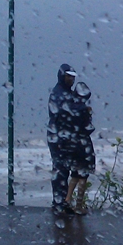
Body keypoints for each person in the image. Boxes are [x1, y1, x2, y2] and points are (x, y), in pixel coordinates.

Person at [47, 63, 95, 216]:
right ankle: (58, 204)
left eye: (72, 77)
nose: (71, 79)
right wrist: (83, 109)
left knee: (65, 170)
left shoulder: (68, 93)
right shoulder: (58, 93)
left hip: (67, 138)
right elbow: (64, 111)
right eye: (68, 76)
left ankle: (63, 203)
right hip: (58, 138)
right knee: (60, 170)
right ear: (62, 75)